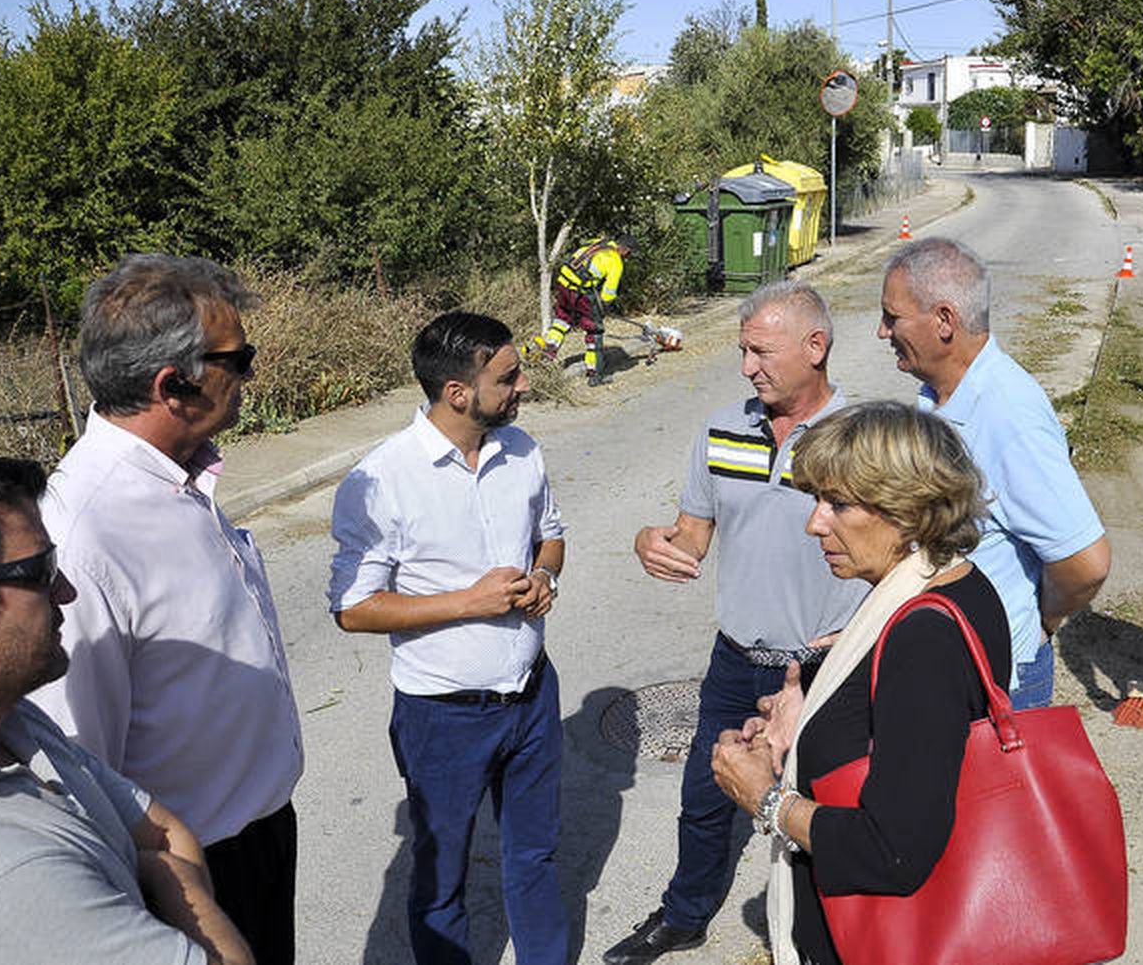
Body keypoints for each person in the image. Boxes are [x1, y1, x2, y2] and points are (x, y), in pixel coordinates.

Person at [30, 254, 304, 965]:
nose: (248, 375)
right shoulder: (87, 534)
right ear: (172, 384)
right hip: (195, 877)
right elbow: (79, 769)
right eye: (237, 358)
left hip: (262, 835)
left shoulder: (181, 477)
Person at [604, 280, 866, 965]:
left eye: (761, 351)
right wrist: (651, 543)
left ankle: (838, 935)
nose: (747, 366)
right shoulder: (723, 429)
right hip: (735, 661)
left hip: (830, 667)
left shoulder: (864, 437)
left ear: (816, 347)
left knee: (833, 808)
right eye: (742, 351)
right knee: (705, 801)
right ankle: (685, 916)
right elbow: (691, 535)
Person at [710, 401, 1010, 965]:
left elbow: (893, 851)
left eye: (838, 504)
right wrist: (814, 722)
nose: (814, 522)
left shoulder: (923, 635)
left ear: (908, 506)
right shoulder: (957, 587)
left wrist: (766, 800)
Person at [328, 311, 567, 965]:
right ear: (457, 392)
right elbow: (352, 608)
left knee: (536, 855)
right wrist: (470, 602)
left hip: (532, 696)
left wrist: (545, 574)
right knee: (441, 876)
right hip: (442, 716)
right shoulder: (382, 479)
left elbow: (551, 531)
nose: (524, 386)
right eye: (508, 376)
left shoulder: (523, 450)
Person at [0, 453, 254, 965]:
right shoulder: (6, 873)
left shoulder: (12, 721)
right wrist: (170, 879)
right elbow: (171, 857)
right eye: (41, 571)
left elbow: (169, 833)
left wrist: (163, 865)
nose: (67, 590)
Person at [877, 237, 1110, 708]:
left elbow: (1084, 563)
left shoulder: (1006, 412)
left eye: (892, 317)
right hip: (947, 662)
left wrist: (1039, 623)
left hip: (993, 678)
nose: (882, 332)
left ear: (944, 320)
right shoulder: (940, 395)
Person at [532, 234, 634, 385]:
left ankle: (547, 355)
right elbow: (608, 295)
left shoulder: (597, 242)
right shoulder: (615, 261)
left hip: (563, 284)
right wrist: (603, 307)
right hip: (580, 292)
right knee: (594, 330)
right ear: (624, 249)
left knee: (562, 320)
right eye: (629, 254)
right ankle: (595, 374)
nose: (629, 257)